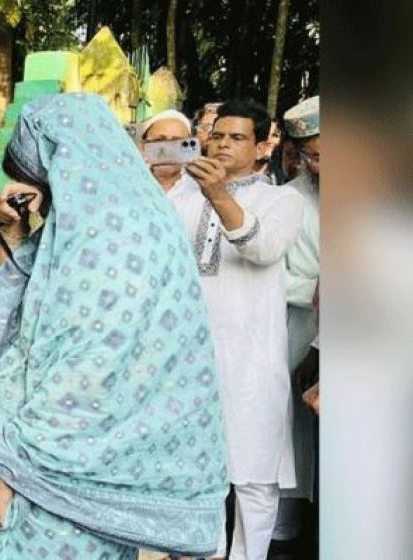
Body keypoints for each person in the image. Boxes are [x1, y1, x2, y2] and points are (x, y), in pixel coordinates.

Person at [0, 92, 229, 559]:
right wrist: (11, 227)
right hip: (102, 473)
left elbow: (79, 380)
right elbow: (7, 292)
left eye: (35, 172)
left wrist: (3, 470)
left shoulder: (105, 240)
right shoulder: (122, 220)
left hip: (55, 483)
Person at [167, 98, 304, 560]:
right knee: (193, 470)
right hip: (187, 356)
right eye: (218, 135)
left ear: (263, 144)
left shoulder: (283, 199)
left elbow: (263, 248)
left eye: (237, 137)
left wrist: (219, 196)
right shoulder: (181, 196)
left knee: (253, 475)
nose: (224, 144)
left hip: (252, 358)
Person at [271, 95, 320, 555]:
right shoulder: (289, 200)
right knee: (296, 438)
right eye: (312, 154)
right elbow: (272, 273)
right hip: (303, 332)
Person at [138, 109, 194, 192]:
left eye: (176, 141)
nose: (168, 149)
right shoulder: (131, 180)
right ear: (144, 145)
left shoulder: (201, 188)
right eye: (159, 140)